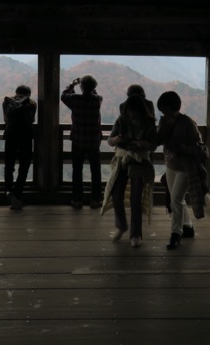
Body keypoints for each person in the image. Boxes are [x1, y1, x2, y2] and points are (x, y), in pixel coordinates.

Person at [102, 95, 157, 247]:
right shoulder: (121, 120)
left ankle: (136, 234)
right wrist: (117, 139)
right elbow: (109, 140)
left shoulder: (149, 123)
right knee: (116, 194)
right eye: (129, 112)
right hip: (122, 159)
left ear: (141, 111)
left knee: (136, 199)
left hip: (139, 160)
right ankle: (121, 225)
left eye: (134, 112)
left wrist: (142, 143)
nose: (131, 115)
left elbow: (153, 145)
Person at [156, 91, 206, 250]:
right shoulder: (164, 121)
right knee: (177, 199)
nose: (163, 112)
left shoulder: (187, 123)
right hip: (171, 165)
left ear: (172, 107)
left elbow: (199, 148)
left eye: (164, 108)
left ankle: (175, 234)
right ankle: (188, 227)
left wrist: (181, 148)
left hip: (185, 167)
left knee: (175, 200)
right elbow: (158, 140)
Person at [61, 75, 103, 209]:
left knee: (77, 170)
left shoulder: (75, 99)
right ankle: (96, 200)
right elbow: (94, 94)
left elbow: (63, 96)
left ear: (81, 87)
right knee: (95, 170)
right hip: (93, 141)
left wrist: (72, 85)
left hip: (78, 140)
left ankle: (77, 200)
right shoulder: (98, 100)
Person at [2, 85, 37, 210]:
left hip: (10, 135)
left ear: (16, 93)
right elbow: (32, 119)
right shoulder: (32, 104)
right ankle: (17, 195)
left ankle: (8, 191)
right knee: (24, 166)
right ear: (29, 94)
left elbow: (6, 119)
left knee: (9, 166)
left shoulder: (7, 102)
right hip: (25, 136)